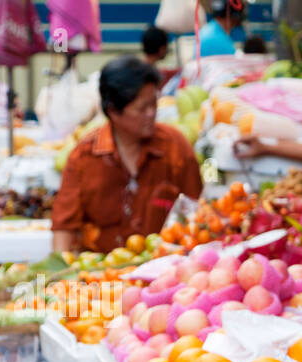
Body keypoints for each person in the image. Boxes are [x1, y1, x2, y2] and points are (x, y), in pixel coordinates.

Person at [51, 57, 203, 253]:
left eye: (154, 105)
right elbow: (64, 227)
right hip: (101, 276)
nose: (152, 113)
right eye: (142, 108)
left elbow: (197, 212)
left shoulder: (175, 146)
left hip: (164, 270)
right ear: (113, 111)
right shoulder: (84, 157)